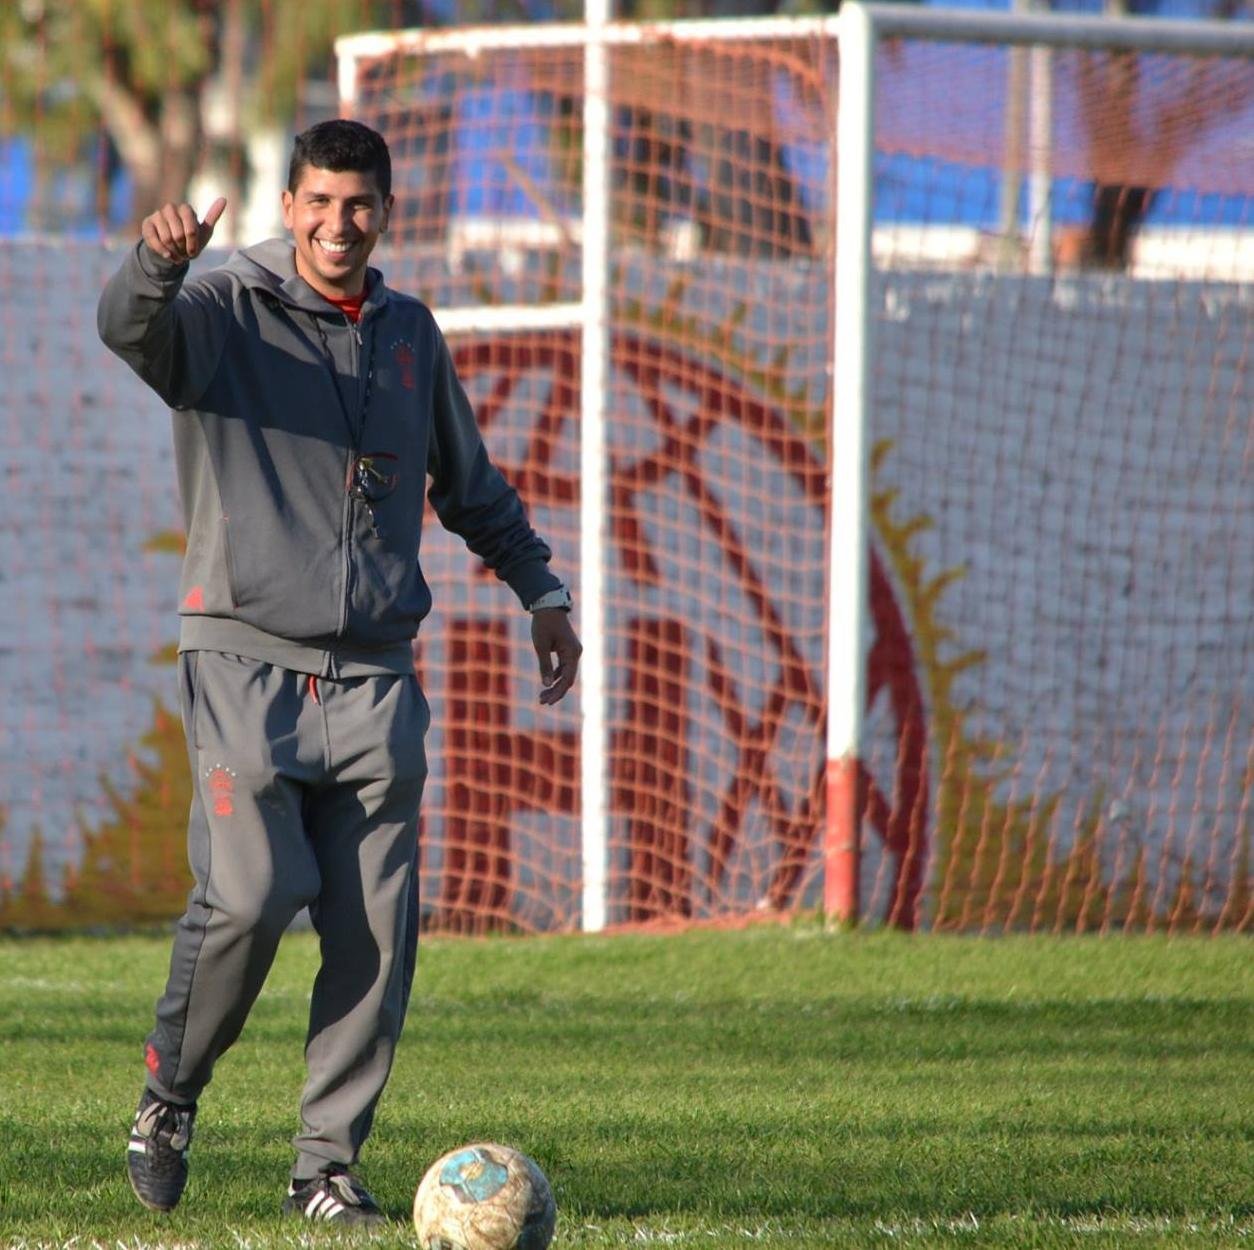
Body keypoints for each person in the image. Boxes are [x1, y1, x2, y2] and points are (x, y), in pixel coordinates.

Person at [97, 119, 581, 1226]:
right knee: (255, 893)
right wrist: (156, 261)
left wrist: (540, 588)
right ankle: (169, 1094)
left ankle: (324, 1167)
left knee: (375, 927)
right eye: (318, 201)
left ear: (386, 212)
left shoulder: (410, 333)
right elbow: (126, 327)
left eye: (358, 204)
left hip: (374, 679)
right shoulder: (218, 309)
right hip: (242, 663)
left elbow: (469, 482)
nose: (337, 222)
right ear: (291, 204)